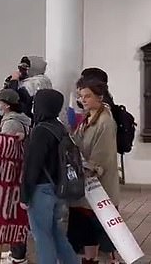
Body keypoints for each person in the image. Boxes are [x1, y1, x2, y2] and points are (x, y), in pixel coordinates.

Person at [20, 89, 78, 264]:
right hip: (58, 187)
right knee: (55, 232)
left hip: (41, 190)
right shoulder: (59, 128)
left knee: (42, 236)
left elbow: (33, 166)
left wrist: (25, 195)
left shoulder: (40, 130)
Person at [68, 79, 120, 264]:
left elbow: (101, 157)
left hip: (100, 186)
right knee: (87, 230)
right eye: (81, 96)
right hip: (87, 186)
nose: (83, 100)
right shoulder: (88, 117)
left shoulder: (105, 121)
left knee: (104, 232)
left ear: (100, 96)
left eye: (88, 96)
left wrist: (86, 168)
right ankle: (90, 260)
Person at [0, 89, 32, 264]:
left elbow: (5, 149)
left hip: (12, 173)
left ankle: (17, 255)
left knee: (13, 214)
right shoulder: (20, 119)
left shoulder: (10, 123)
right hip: (18, 170)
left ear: (7, 105)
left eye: (0, 102)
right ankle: (15, 251)